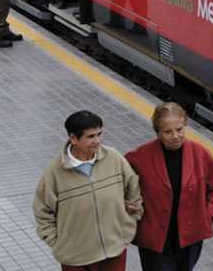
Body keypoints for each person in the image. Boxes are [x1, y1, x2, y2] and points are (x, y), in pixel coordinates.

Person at [33, 110, 144, 271]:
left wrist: (129, 225)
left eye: (100, 134)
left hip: (114, 250)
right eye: (91, 136)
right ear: (73, 138)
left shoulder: (113, 157)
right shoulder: (54, 172)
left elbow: (133, 187)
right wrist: (59, 243)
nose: (98, 141)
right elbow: (42, 211)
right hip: (75, 258)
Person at [126, 103, 213, 271]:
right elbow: (121, 187)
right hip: (155, 238)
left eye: (179, 129)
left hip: (189, 237)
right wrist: (129, 207)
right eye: (168, 132)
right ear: (157, 132)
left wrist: (207, 217)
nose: (175, 136)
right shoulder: (138, 157)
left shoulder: (200, 153)